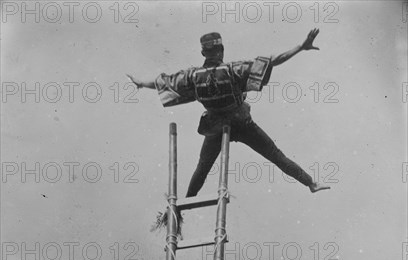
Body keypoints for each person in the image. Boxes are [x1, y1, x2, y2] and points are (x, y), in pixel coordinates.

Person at [128, 29, 330, 196]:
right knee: (275, 155)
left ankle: (185, 204)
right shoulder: (233, 69)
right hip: (240, 123)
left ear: (203, 54)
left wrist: (141, 83)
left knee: (203, 167)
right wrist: (300, 47)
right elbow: (271, 61)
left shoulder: (192, 76)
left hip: (217, 125)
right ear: (221, 50)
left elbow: (163, 82)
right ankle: (310, 183)